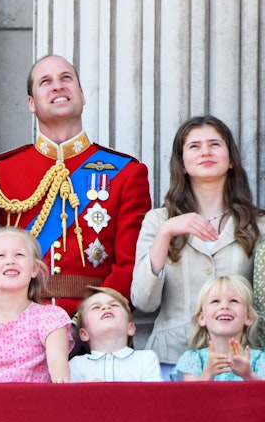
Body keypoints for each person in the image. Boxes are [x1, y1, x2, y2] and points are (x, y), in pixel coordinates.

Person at [0, 54, 150, 315]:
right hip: (19, 325)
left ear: (81, 94)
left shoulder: (126, 172)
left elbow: (129, 265)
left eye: (65, 78)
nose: (58, 86)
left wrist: (91, 321)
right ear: (31, 103)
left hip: (98, 329)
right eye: (45, 81)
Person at [131, 116, 263, 375]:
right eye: (194, 146)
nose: (205, 152)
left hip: (238, 360)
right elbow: (143, 301)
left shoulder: (258, 223)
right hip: (171, 356)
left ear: (231, 159)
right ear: (182, 163)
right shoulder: (158, 220)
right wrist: (166, 233)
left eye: (215, 144)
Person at [0, 227, 72, 383]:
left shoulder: (50, 318)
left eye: (19, 255)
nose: (10, 261)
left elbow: (59, 373)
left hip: (37, 404)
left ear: (34, 268)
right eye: (0, 255)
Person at [176, 275, 265, 381]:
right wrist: (208, 374)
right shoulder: (192, 359)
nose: (224, 306)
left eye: (233, 301)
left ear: (248, 317)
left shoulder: (260, 359)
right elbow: (190, 396)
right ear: (201, 317)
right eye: (215, 301)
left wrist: (248, 375)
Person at [69, 286, 162, 382]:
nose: (106, 307)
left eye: (114, 305)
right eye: (96, 307)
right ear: (84, 334)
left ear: (130, 328)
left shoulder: (145, 359)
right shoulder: (75, 365)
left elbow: (154, 395)